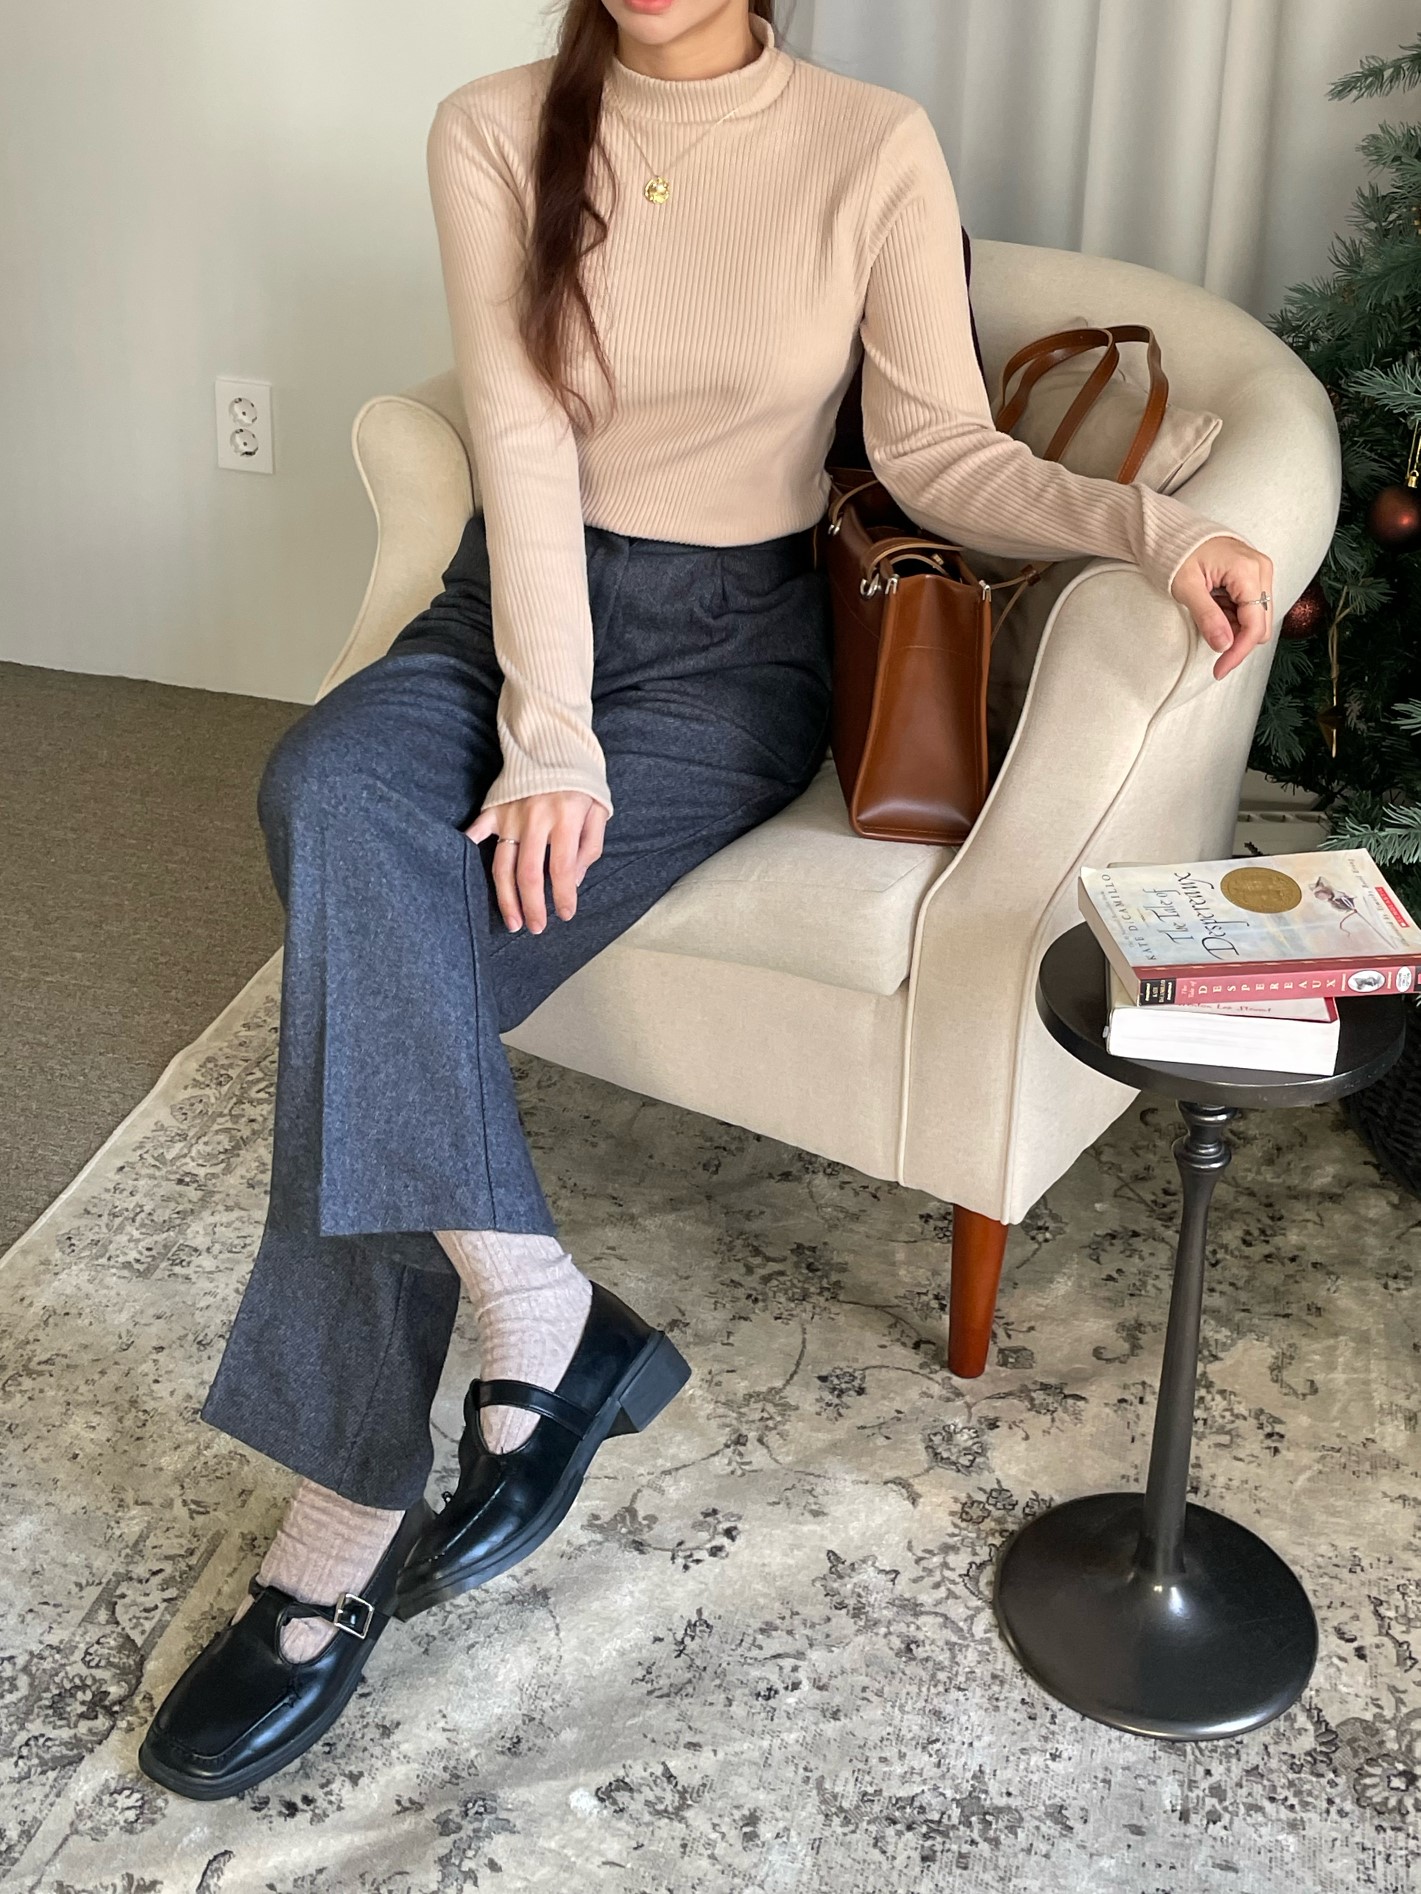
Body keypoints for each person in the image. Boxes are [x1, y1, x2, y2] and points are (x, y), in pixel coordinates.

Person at [138, 0, 1273, 1799]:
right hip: (510, 614)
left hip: (730, 648)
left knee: (382, 962)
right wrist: (549, 731)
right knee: (324, 792)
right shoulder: (494, 126)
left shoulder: (867, 144)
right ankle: (539, 1303)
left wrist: (1154, 526)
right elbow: (517, 437)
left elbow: (936, 451)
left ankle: (337, 1529)